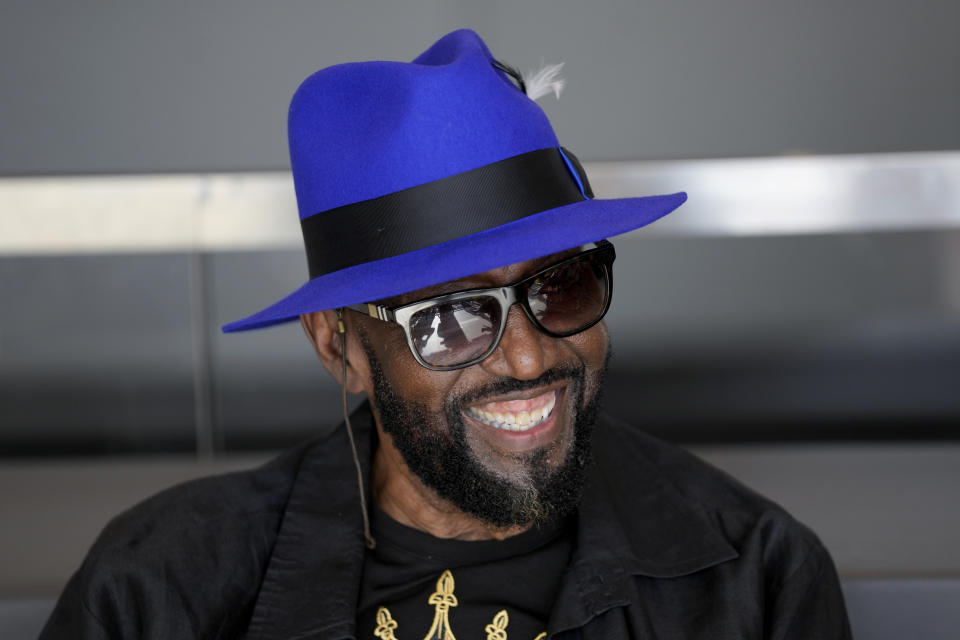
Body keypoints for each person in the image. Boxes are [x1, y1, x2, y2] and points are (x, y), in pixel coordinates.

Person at [41, 29, 851, 639]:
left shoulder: (755, 578)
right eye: (450, 318)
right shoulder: (161, 589)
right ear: (339, 347)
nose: (531, 357)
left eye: (560, 285)